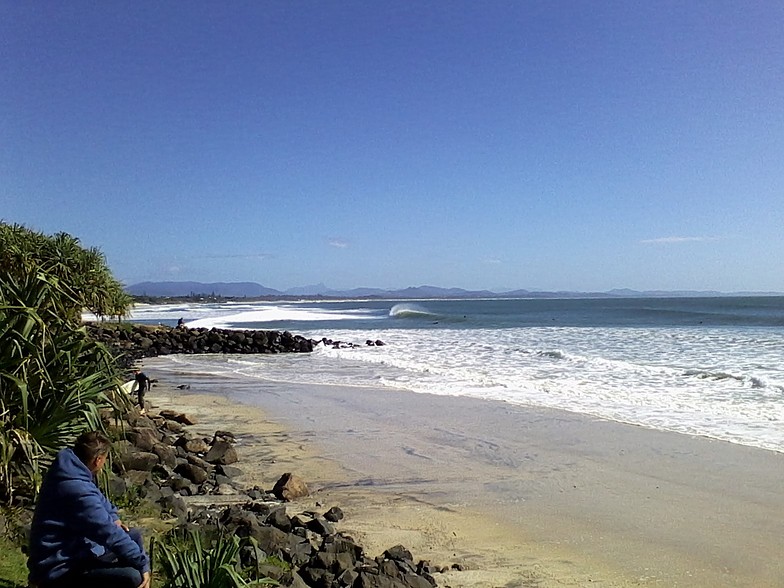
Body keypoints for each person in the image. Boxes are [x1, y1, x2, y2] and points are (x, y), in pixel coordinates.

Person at [28, 431, 151, 588]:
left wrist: (113, 517)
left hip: (74, 551)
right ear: (98, 460)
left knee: (133, 536)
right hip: (58, 568)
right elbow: (107, 532)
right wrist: (143, 565)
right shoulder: (77, 489)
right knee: (133, 577)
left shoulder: (69, 471)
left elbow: (101, 502)